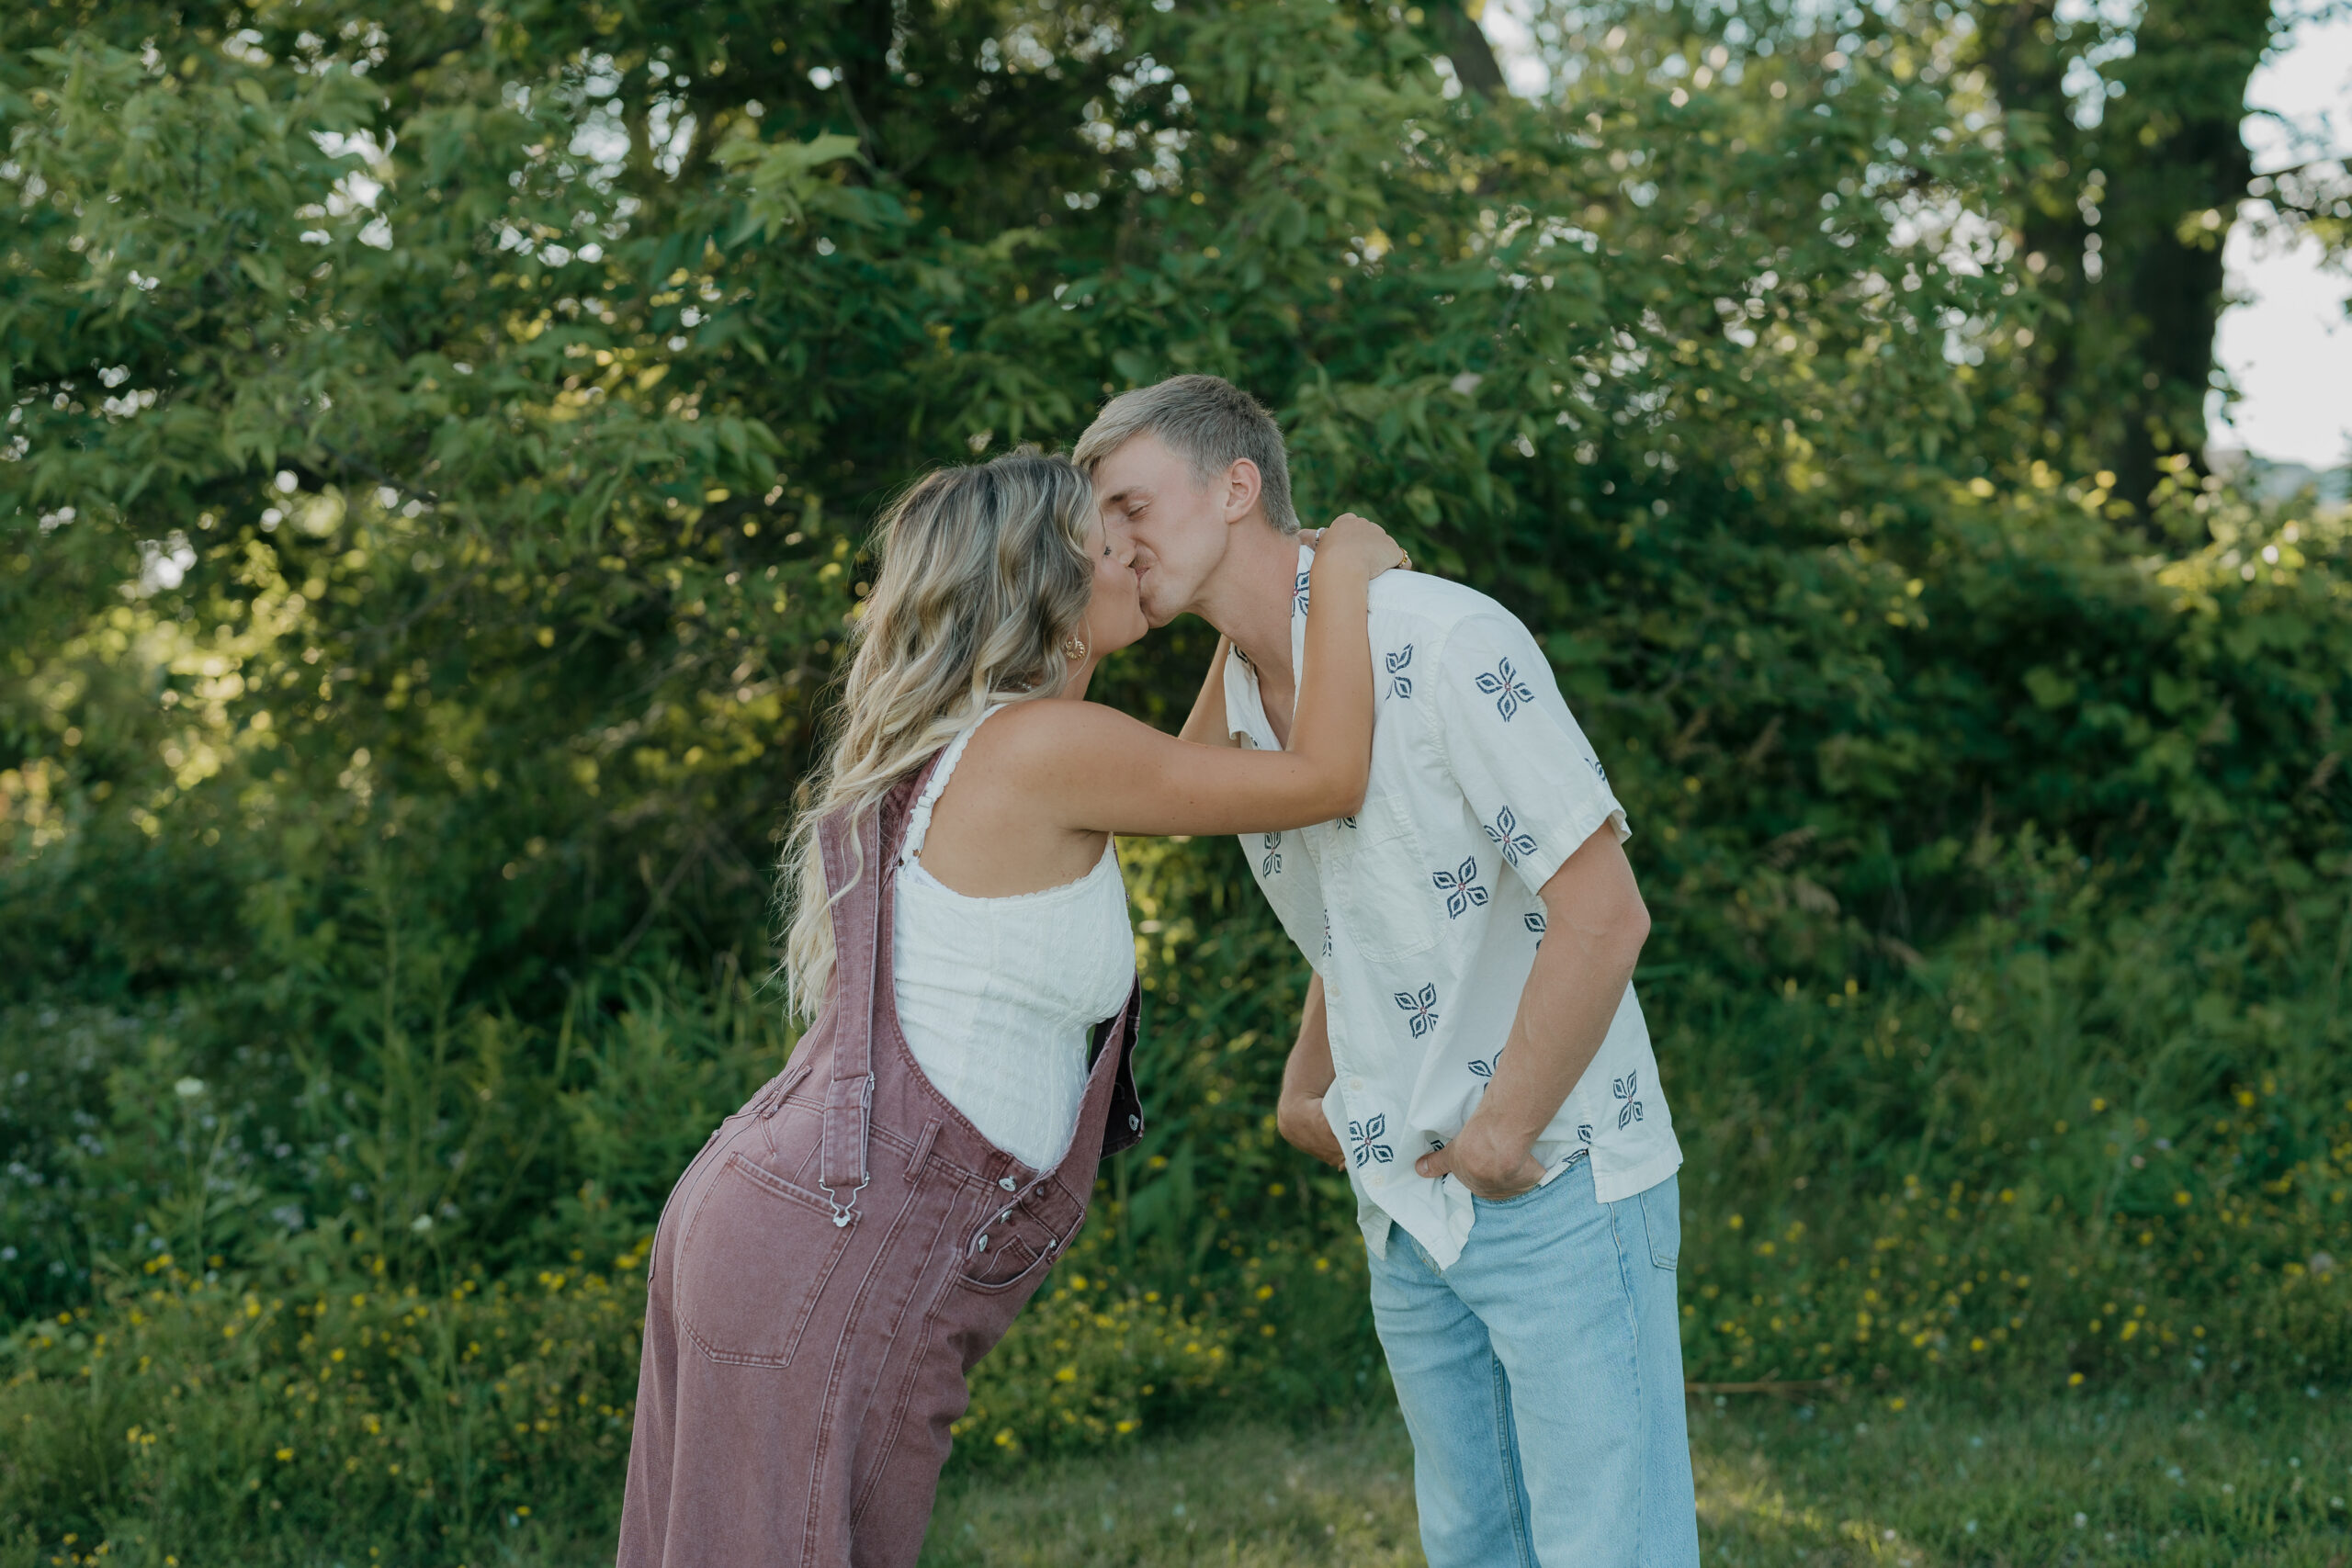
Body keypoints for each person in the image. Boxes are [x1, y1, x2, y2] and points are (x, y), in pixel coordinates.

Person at [616, 449, 1404, 1568]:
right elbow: (1328, 778)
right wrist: (1348, 583)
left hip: (785, 1220)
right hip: (837, 1244)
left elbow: (1185, 772)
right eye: (1105, 544)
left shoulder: (991, 745)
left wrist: (1242, 612)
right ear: (1045, 582)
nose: (1132, 556)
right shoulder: (1040, 746)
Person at [1079, 376, 1699, 1568]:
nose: (1114, 542)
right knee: (1472, 1545)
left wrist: (1502, 1133)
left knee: (1608, 1548)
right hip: (1406, 1205)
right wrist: (1310, 1084)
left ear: (1237, 485)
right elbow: (1362, 911)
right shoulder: (1254, 724)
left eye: (1132, 502)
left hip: (1556, 1176)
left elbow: (1605, 912)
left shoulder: (1441, 638)